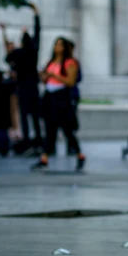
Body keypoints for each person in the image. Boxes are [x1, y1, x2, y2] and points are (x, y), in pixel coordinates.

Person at [31, 38, 85, 171]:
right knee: (49, 128)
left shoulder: (70, 62)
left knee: (67, 129)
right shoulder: (51, 62)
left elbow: (71, 82)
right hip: (50, 96)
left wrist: (55, 76)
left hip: (62, 98)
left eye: (60, 45)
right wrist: (44, 76)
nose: (57, 47)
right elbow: (46, 80)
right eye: (56, 44)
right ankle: (44, 157)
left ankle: (79, 154)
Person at [0, 2, 42, 152]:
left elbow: (7, 55)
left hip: (23, 86)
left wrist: (6, 34)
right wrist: (36, 14)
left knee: (24, 115)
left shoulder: (18, 53)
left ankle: (27, 140)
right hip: (33, 86)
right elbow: (38, 32)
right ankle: (37, 139)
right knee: (35, 115)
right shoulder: (34, 51)